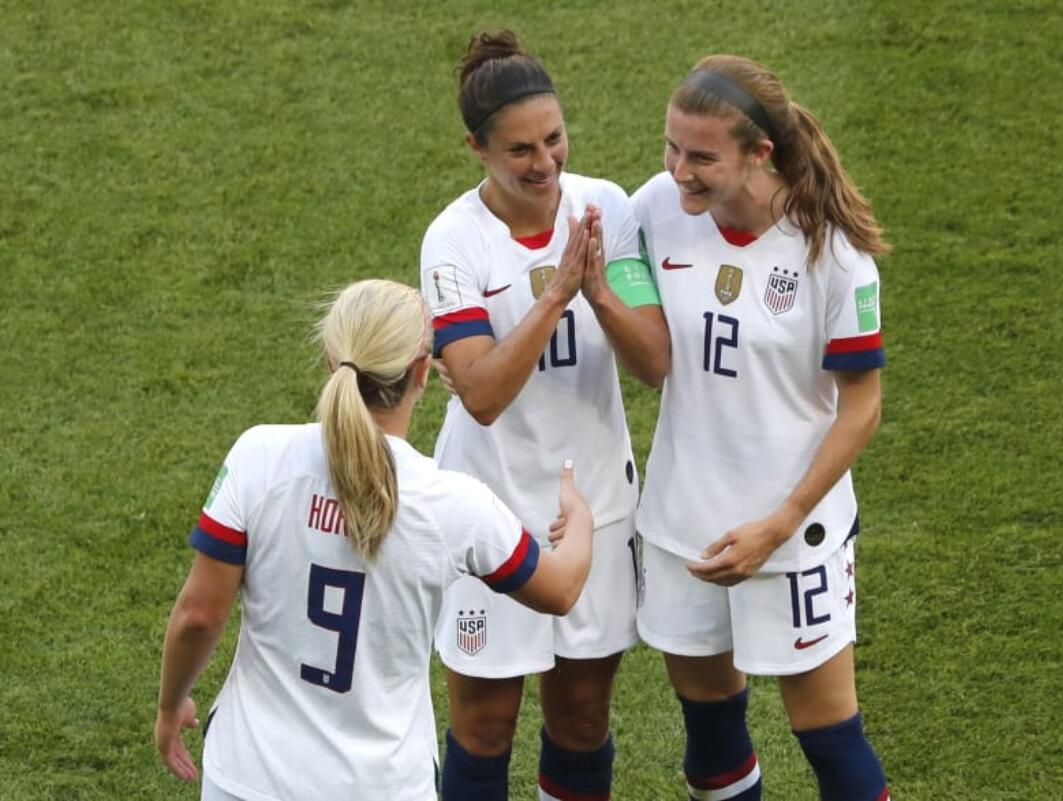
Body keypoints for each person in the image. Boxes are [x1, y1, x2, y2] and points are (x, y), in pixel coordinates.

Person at [154, 279, 595, 801]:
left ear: (329, 358)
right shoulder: (452, 503)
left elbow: (199, 615)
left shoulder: (260, 458)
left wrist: (169, 705)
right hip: (383, 785)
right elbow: (561, 589)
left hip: (250, 777)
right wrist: (581, 521)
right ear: (422, 373)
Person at [631, 55, 893, 801]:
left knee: (830, 736)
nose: (680, 170)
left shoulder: (834, 258)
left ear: (759, 154)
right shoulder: (654, 208)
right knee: (710, 733)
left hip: (793, 531)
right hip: (685, 524)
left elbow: (862, 406)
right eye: (672, 147)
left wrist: (778, 523)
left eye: (702, 156)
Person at [420, 30, 669, 801]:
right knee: (485, 725)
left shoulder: (610, 209)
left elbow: (655, 363)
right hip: (487, 501)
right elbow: (482, 394)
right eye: (520, 149)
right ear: (476, 147)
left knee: (584, 716)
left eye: (555, 138)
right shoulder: (453, 240)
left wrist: (599, 291)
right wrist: (559, 291)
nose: (546, 163)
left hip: (596, 500)